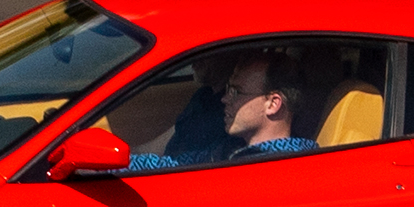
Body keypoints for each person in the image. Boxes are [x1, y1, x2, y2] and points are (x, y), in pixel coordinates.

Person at [129, 50, 314, 170]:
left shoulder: (290, 167)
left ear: (273, 104)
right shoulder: (231, 149)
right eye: (228, 90)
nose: (225, 99)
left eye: (237, 92)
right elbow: (169, 166)